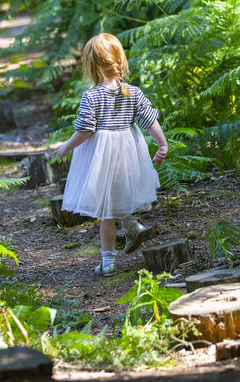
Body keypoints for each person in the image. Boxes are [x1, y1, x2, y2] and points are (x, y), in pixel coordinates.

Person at [56, 33, 168, 277]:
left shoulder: (92, 96)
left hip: (101, 158)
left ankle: (107, 262)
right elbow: (150, 120)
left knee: (105, 211)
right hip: (128, 152)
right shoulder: (133, 92)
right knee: (116, 196)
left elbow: (85, 129)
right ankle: (130, 224)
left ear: (91, 64)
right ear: (119, 60)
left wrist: (66, 147)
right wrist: (162, 144)